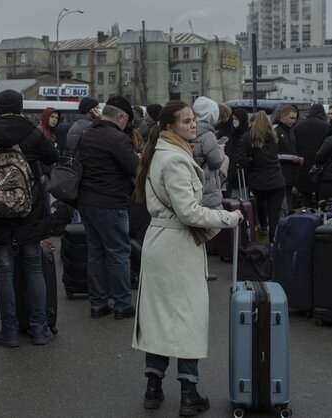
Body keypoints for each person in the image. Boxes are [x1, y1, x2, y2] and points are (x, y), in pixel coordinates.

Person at [131, 100, 242, 416]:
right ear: (169, 127)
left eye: (194, 120)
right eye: (186, 121)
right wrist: (228, 218)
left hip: (160, 241)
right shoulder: (175, 159)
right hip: (176, 245)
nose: (193, 125)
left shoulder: (161, 153)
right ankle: (188, 392)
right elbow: (189, 212)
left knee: (157, 317)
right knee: (186, 318)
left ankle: (153, 387)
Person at [0, 90, 59, 347]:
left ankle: (9, 330)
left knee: (4, 271)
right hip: (29, 210)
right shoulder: (32, 132)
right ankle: (39, 329)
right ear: (20, 107)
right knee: (33, 267)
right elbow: (53, 157)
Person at [77, 95, 139, 319]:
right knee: (119, 253)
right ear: (120, 117)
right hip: (111, 203)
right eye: (126, 121)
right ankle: (122, 304)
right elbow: (135, 169)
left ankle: (98, 303)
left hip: (87, 202)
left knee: (95, 253)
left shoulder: (87, 134)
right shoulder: (117, 138)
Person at [237, 110, 285, 241]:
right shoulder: (274, 136)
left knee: (260, 201)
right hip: (276, 180)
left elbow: (241, 158)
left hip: (258, 180)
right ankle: (273, 244)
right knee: (274, 214)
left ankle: (263, 228)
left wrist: (251, 166)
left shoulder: (247, 137)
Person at [190, 97, 225, 210]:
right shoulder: (207, 134)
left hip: (193, 187)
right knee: (211, 223)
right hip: (208, 190)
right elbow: (215, 162)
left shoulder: (189, 130)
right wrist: (220, 149)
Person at [293, 104, 330, 208]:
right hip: (320, 167)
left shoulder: (298, 126)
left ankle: (307, 217)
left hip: (303, 165)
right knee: (321, 196)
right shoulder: (326, 126)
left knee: (306, 195)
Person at [273, 105, 303, 213]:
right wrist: (291, 158)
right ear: (283, 116)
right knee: (282, 208)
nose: (294, 121)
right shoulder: (275, 130)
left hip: (290, 176)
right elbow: (272, 154)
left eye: (295, 118)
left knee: (288, 207)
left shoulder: (290, 131)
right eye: (291, 118)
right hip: (279, 175)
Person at [224, 109, 249, 198]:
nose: (234, 121)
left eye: (236, 119)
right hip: (231, 174)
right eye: (233, 119)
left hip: (241, 175)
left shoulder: (246, 135)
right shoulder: (233, 135)